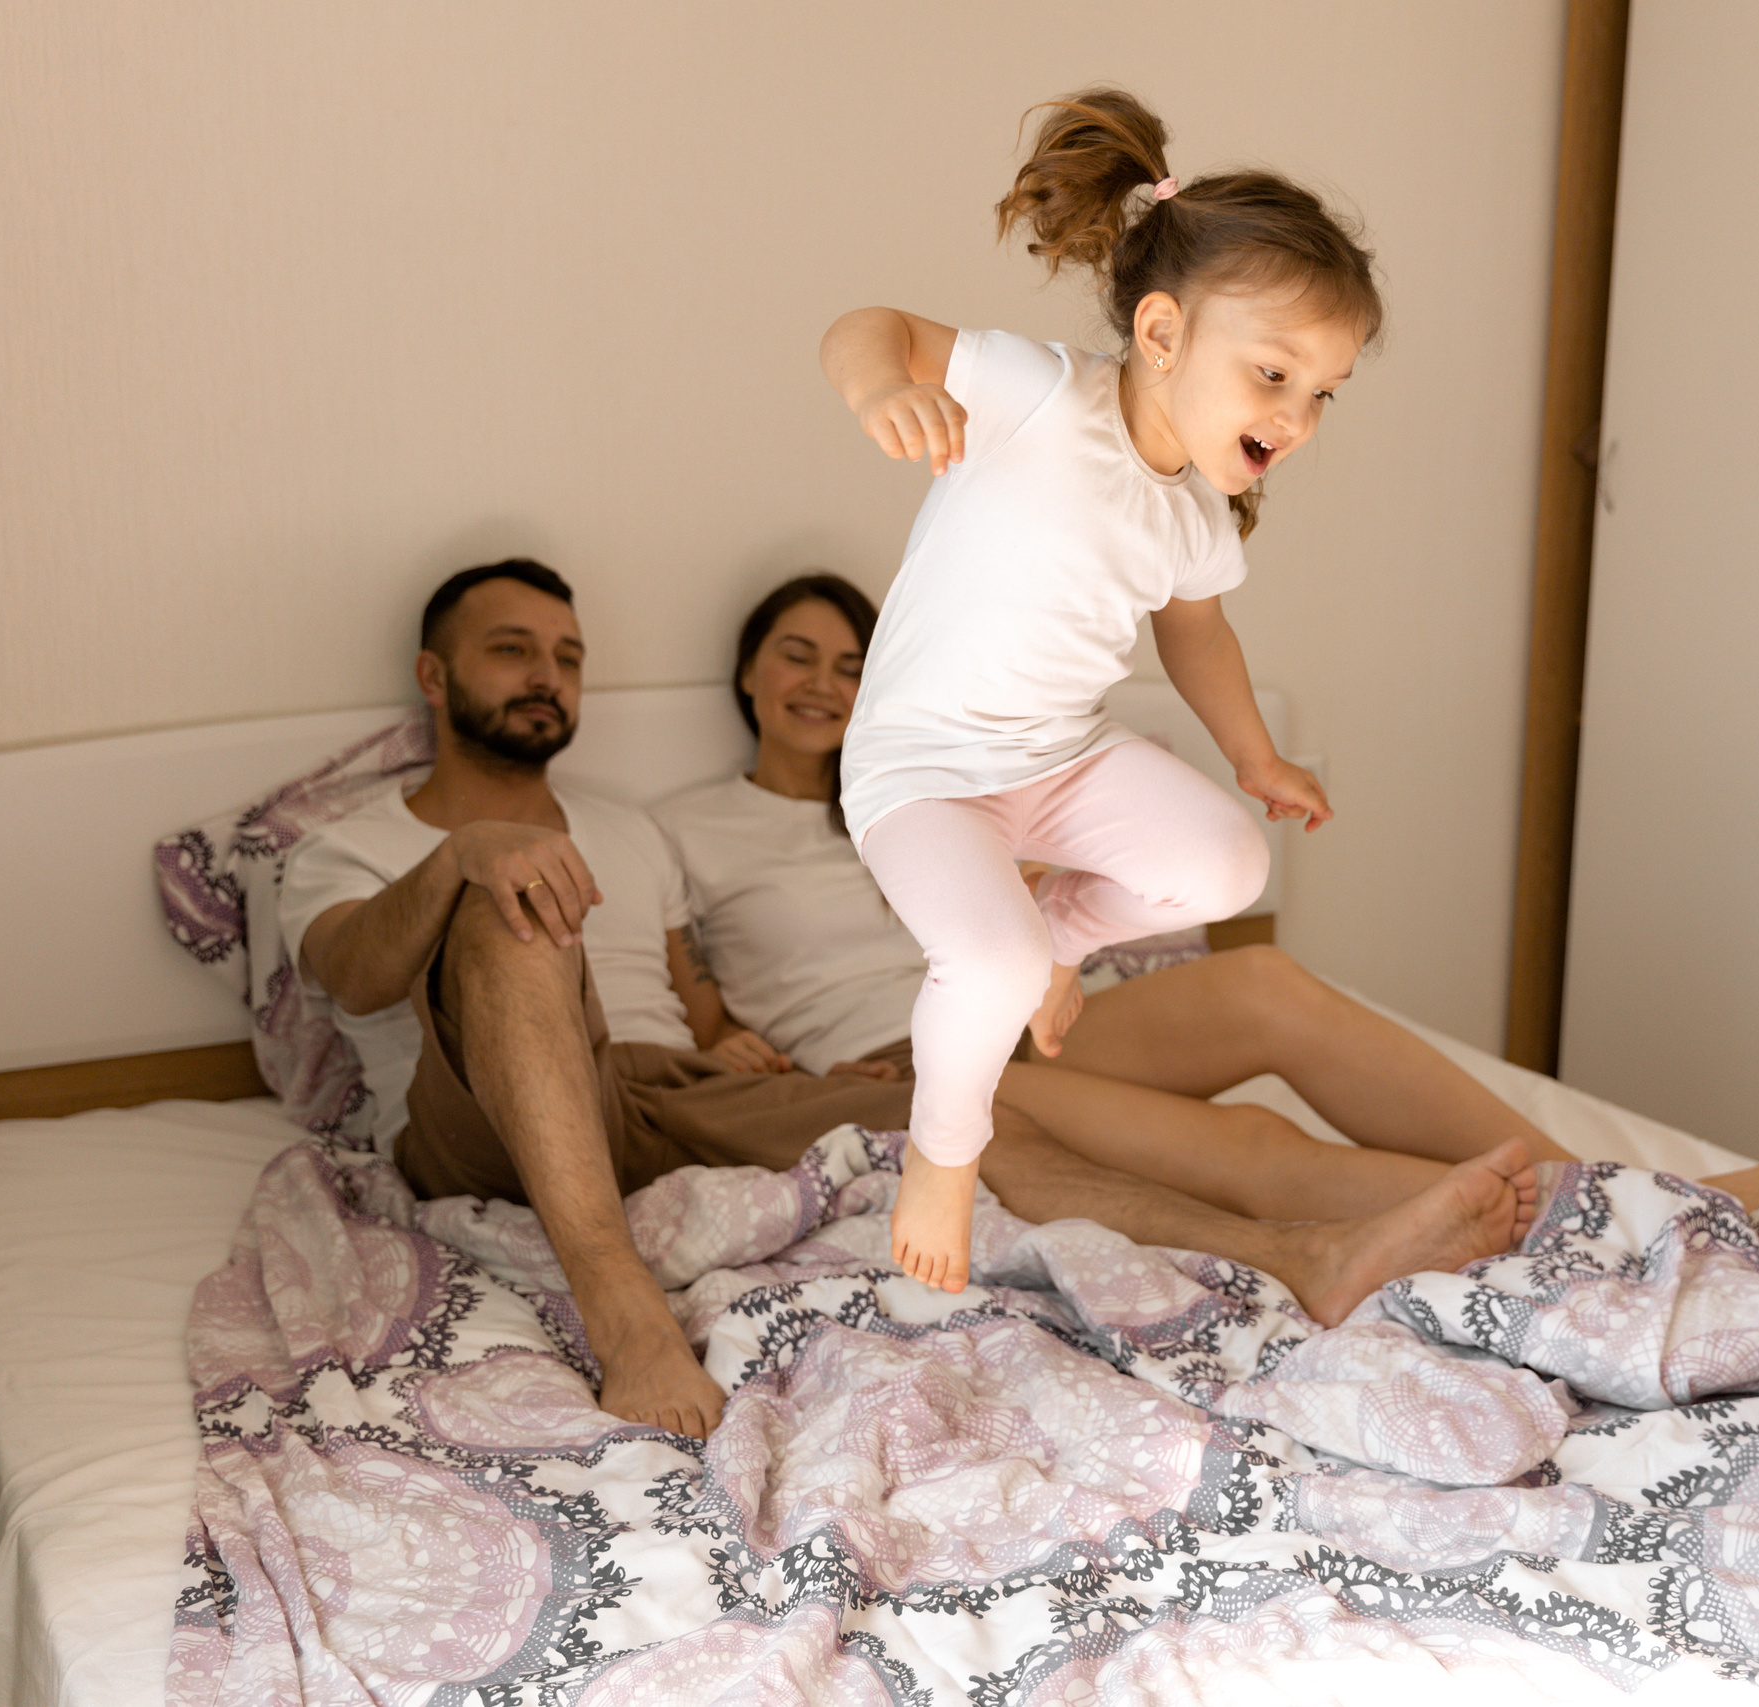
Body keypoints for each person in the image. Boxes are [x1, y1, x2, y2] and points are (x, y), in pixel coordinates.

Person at [279, 561, 1606, 1442]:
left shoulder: (631, 826)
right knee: (512, 913)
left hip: (689, 1089)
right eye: (512, 649)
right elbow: (347, 969)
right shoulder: (356, 840)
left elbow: (689, 993)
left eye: (567, 654)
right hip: (492, 1103)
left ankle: (1329, 1249)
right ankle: (618, 1301)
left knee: (965, 1133)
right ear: (434, 673)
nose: (547, 673)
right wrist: (464, 860)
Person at [654, 572, 1759, 1251]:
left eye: (852, 662)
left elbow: (1046, 901)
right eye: (796, 656)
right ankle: (1598, 1218)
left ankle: (1626, 1185)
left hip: (1036, 1017)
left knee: (1265, 985)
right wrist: (717, 1039)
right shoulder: (685, 828)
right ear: (748, 675)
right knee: (1249, 1147)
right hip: (900, 1068)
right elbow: (680, 992)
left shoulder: (950, 786)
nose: (823, 681)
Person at [819, 88, 1372, 1290]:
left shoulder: (1193, 512)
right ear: (1164, 335)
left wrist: (1257, 761)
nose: (1300, 416)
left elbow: (1199, 640)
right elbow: (870, 325)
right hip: (921, 770)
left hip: (1058, 760)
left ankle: (1063, 937)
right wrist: (881, 392)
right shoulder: (1041, 394)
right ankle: (943, 1156)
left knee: (1229, 864)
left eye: (1323, 391)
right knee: (993, 963)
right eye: (1276, 374)